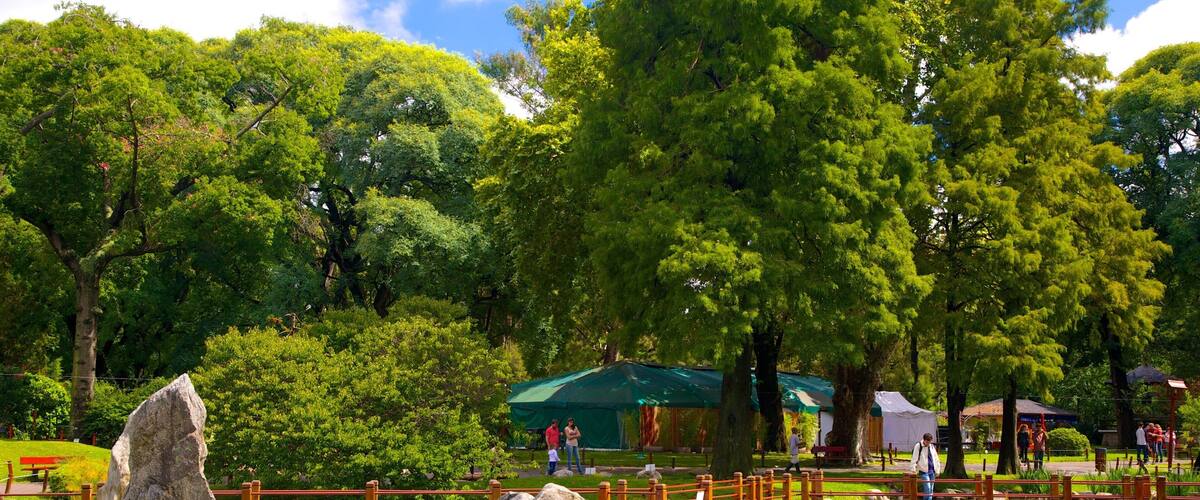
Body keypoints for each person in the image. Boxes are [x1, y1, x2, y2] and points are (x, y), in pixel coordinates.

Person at [910, 433, 940, 500]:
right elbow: (914, 458)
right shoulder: (918, 446)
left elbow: (936, 458)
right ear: (924, 440)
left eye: (930, 442)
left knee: (931, 490)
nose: (928, 443)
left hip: (932, 471)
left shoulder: (932, 446)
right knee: (928, 488)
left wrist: (937, 470)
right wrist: (913, 469)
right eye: (927, 442)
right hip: (923, 471)